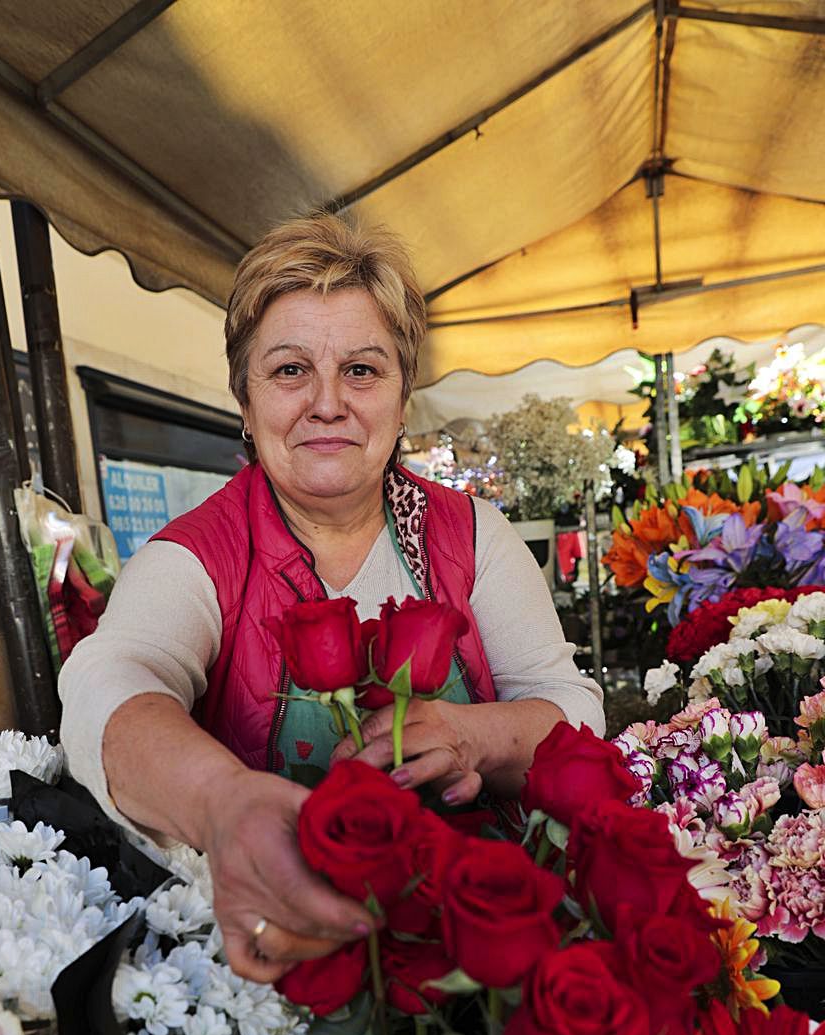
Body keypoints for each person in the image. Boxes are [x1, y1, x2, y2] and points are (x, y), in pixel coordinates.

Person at [60, 213, 604, 983]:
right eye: (288, 371)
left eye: (362, 369)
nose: (327, 403)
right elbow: (106, 683)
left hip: (480, 950)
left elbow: (570, 706)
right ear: (245, 406)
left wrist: (470, 734)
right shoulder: (197, 555)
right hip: (280, 960)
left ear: (401, 396)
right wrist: (222, 802)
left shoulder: (473, 536)